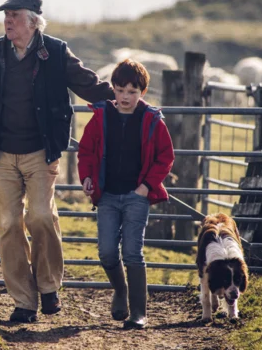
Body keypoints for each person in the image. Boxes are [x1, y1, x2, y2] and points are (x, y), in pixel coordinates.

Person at [0, 0, 116, 323]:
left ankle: (48, 287)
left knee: (42, 217)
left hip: (39, 154)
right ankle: (23, 301)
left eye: (14, 16)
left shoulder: (56, 53)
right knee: (7, 225)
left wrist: (125, 97)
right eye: (5, 16)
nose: (7, 21)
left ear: (33, 21)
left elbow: (89, 85)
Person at [77, 58, 175, 329]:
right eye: (120, 90)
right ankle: (120, 291)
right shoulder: (101, 117)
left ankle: (138, 313)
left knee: (133, 252)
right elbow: (85, 151)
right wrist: (87, 178)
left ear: (142, 92)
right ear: (114, 89)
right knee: (107, 253)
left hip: (136, 196)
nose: (125, 97)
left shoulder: (152, 119)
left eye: (132, 92)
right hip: (107, 195)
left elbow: (165, 156)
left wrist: (146, 187)